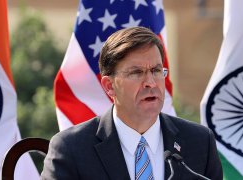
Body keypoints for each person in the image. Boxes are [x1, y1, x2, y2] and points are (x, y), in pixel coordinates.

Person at [41, 27, 223, 180]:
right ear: (109, 86)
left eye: (156, 70)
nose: (151, 82)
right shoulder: (71, 149)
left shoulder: (200, 142)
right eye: (136, 72)